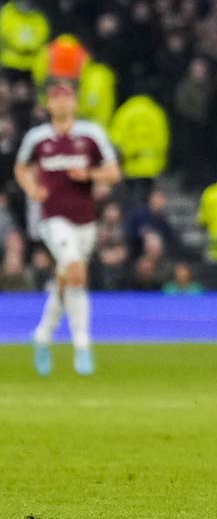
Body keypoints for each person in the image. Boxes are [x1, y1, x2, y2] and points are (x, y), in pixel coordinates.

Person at [14, 78, 121, 375]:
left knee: (66, 279)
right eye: (56, 98)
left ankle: (43, 335)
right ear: (48, 105)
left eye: (67, 97)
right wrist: (31, 189)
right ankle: (82, 346)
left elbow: (113, 172)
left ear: (75, 103)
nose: (62, 103)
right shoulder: (37, 138)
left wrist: (88, 174)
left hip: (85, 219)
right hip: (52, 218)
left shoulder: (90, 135)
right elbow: (21, 167)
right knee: (76, 271)